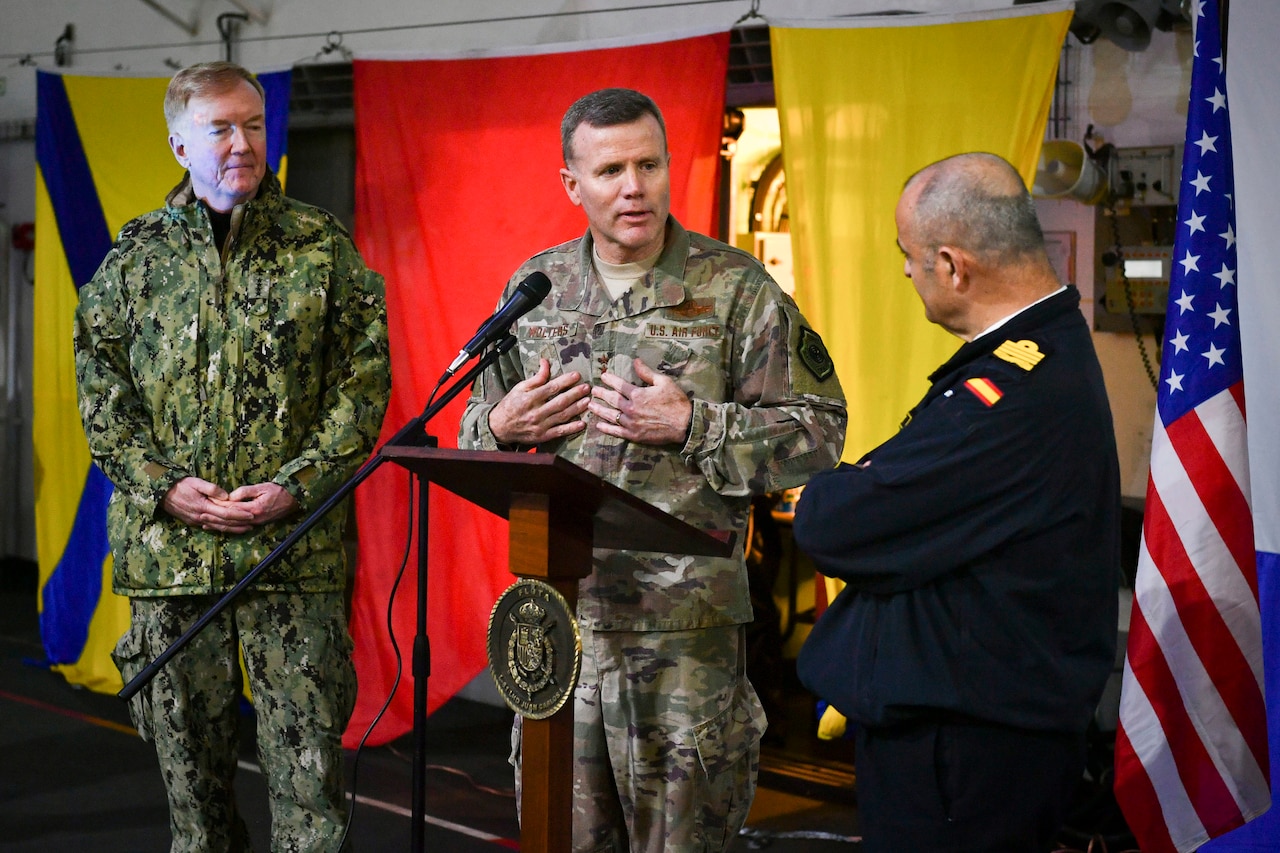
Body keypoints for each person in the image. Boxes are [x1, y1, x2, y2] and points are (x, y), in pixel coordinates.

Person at [458, 87, 847, 852]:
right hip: (561, 629)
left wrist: (695, 423)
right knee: (561, 838)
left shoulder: (735, 291)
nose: (633, 187)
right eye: (610, 171)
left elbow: (820, 431)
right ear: (573, 184)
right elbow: (474, 426)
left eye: (648, 164)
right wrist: (500, 426)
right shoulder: (533, 292)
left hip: (684, 640)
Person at [74, 61, 390, 852]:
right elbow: (101, 393)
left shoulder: (321, 250)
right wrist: (165, 486)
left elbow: (363, 385)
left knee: (312, 802)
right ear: (180, 144)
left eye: (252, 125)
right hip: (174, 566)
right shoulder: (135, 264)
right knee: (196, 809)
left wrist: (295, 486)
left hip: (293, 556)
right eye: (220, 128)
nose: (242, 143)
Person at [793, 152, 1120, 853]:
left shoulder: (1016, 391)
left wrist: (827, 488)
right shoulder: (1034, 359)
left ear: (952, 264)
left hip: (968, 753)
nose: (907, 273)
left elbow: (841, 520)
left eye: (908, 257)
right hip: (971, 735)